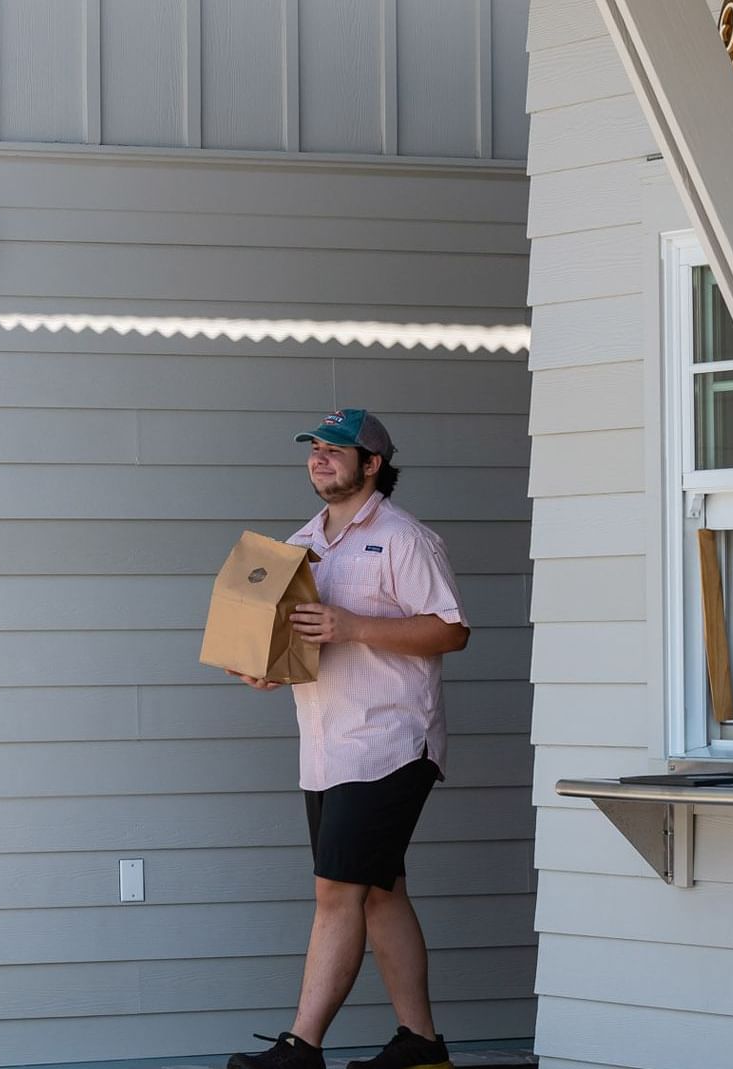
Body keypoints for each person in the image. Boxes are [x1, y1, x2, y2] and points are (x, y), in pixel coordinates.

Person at [227, 409, 469, 1069]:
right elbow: (303, 638)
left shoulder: (404, 538)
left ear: (373, 464)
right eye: (315, 448)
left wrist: (353, 626)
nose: (322, 457)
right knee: (381, 888)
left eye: (339, 449)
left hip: (392, 742)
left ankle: (301, 1046)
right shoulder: (301, 544)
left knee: (336, 890)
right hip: (327, 746)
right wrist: (265, 665)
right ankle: (421, 1044)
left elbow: (450, 629)